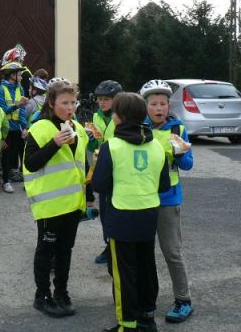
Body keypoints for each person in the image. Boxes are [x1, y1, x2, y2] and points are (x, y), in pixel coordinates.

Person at [92, 92, 170, 332]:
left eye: (114, 112)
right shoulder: (156, 144)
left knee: (123, 272)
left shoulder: (112, 146)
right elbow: (164, 185)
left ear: (120, 117)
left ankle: (127, 324)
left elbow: (99, 185)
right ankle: (147, 317)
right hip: (148, 216)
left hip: (122, 216)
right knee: (147, 267)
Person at [23, 79, 88, 318]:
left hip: (73, 203)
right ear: (51, 103)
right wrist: (54, 143)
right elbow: (30, 164)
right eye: (65, 103)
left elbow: (83, 164)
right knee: (46, 251)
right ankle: (42, 297)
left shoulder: (78, 128)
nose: (70, 107)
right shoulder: (40, 128)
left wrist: (89, 198)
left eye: (73, 102)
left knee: (65, 250)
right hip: (49, 205)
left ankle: (62, 293)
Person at [140, 79, 195, 324]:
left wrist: (180, 152)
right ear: (146, 106)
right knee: (142, 253)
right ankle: (142, 299)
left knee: (172, 252)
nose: (159, 108)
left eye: (163, 103)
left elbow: (188, 165)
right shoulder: (139, 129)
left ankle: (183, 300)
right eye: (154, 104)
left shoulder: (177, 128)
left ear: (168, 105)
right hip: (141, 199)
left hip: (168, 199)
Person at [89, 79, 124, 265]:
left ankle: (115, 247)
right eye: (99, 99)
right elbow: (93, 144)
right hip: (102, 168)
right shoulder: (96, 116)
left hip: (120, 170)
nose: (102, 102)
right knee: (104, 212)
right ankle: (108, 245)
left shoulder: (122, 116)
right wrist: (91, 140)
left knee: (116, 211)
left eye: (106, 99)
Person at [0, 61, 28, 192]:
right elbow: (3, 110)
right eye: (19, 75)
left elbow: (22, 111)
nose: (21, 77)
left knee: (19, 154)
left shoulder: (19, 88)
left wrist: (24, 127)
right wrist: (17, 105)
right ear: (11, 75)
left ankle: (20, 178)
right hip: (6, 127)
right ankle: (5, 182)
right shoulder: (0, 89)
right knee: (6, 155)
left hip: (17, 128)